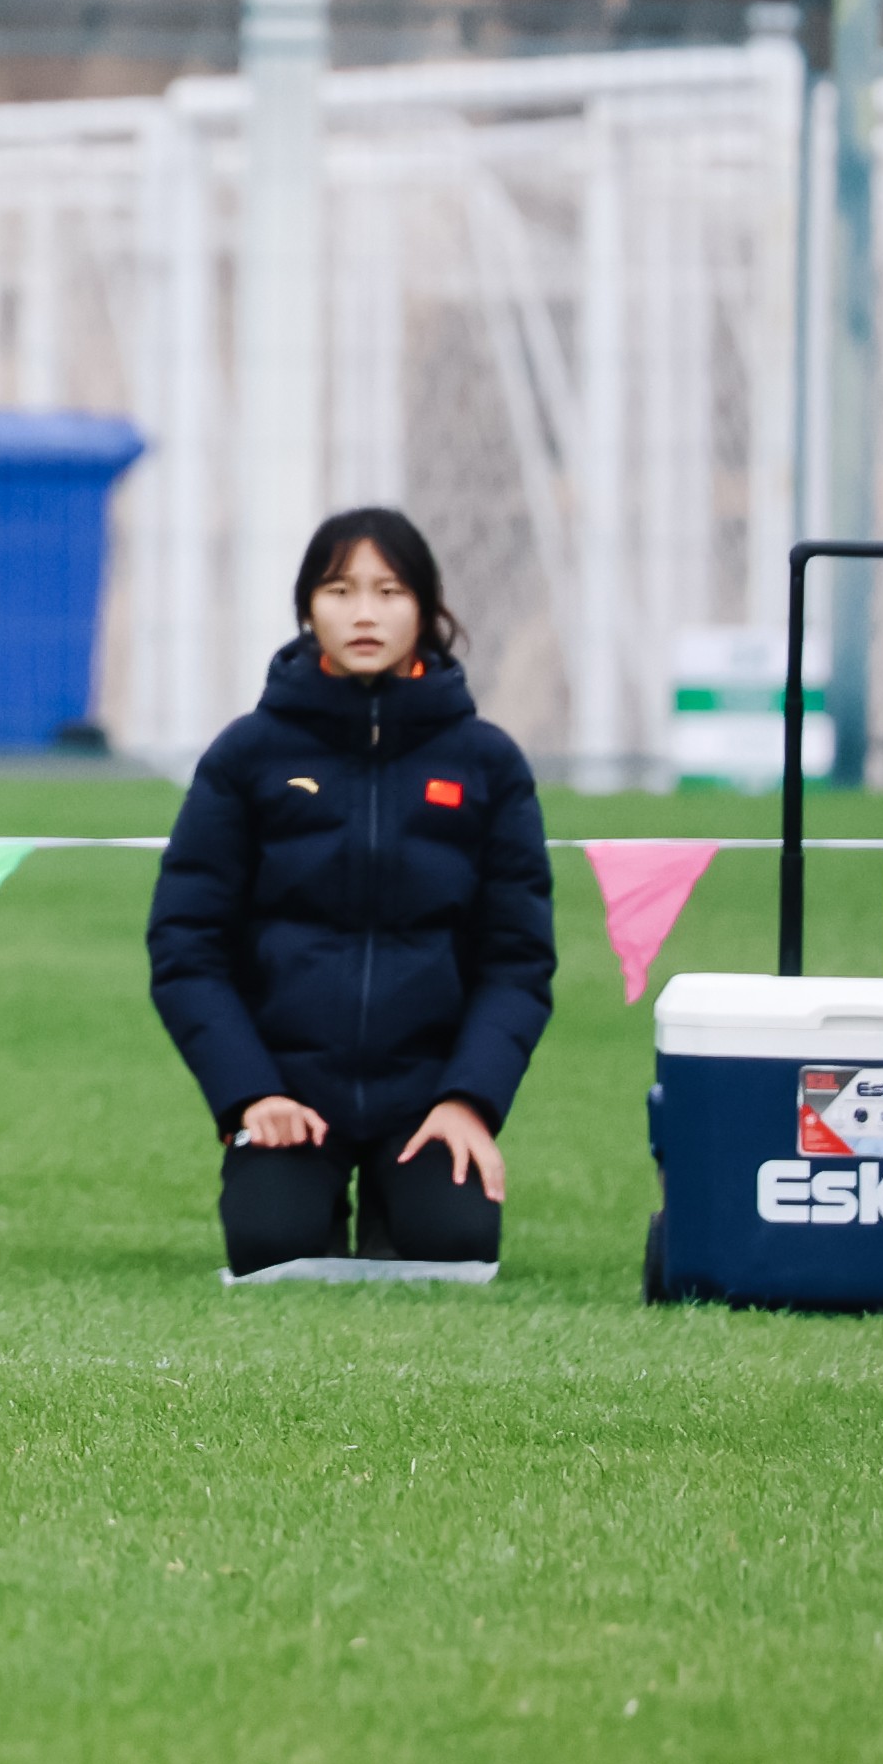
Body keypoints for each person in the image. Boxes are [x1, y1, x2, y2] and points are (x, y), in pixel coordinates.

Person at [146, 507, 556, 1277]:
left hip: (426, 1094)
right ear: (307, 608)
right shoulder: (246, 755)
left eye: (389, 590)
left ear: (427, 610)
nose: (363, 612)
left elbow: (517, 961)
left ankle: (408, 1196)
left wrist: (467, 1099)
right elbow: (183, 945)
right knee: (272, 1248)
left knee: (453, 1247)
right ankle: (301, 1190)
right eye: (339, 589)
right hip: (289, 1094)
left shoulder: (487, 763)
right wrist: (249, 1094)